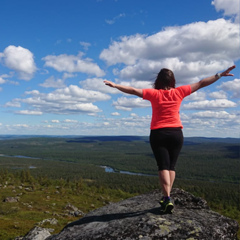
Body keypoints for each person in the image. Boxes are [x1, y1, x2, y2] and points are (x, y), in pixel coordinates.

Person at [104, 65, 236, 213]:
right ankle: (167, 196)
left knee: (163, 166)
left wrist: (115, 85)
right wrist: (219, 75)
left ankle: (166, 198)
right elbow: (201, 83)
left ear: (158, 81)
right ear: (173, 80)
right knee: (171, 166)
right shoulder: (179, 92)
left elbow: (134, 90)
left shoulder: (154, 94)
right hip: (176, 133)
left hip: (158, 133)